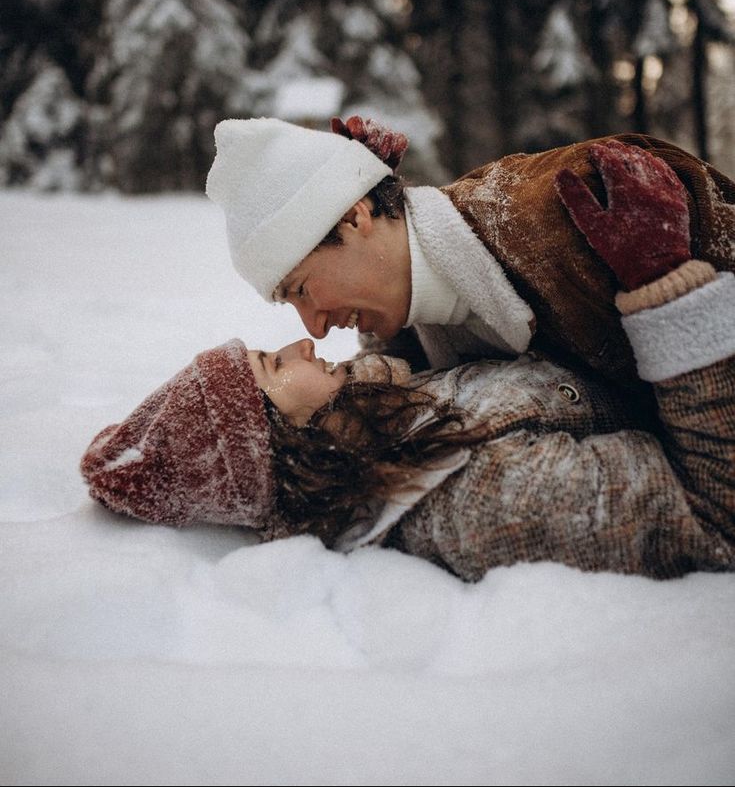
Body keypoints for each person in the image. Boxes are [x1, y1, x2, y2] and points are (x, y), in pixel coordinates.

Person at [81, 147, 735, 582]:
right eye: (273, 365)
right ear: (284, 439)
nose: (306, 337)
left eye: (303, 287)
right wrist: (671, 297)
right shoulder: (475, 502)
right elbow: (713, 516)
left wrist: (365, 185)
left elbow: (416, 377)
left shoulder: (389, 436)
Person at [206, 116, 735, 399]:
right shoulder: (418, 328)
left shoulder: (577, 204)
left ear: (353, 216)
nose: (315, 330)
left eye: (300, 289)